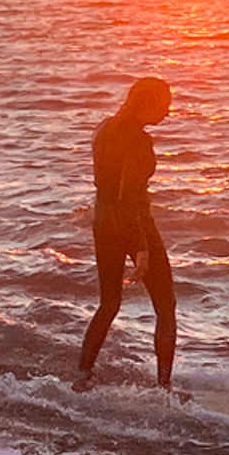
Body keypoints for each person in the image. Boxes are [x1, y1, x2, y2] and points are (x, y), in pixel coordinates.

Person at [76, 76, 177, 390]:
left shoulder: (104, 128)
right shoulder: (137, 139)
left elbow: (110, 190)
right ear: (147, 104)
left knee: (109, 303)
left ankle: (82, 376)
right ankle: (164, 387)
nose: (168, 112)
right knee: (166, 306)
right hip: (132, 222)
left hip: (103, 220)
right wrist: (141, 246)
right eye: (164, 104)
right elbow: (129, 195)